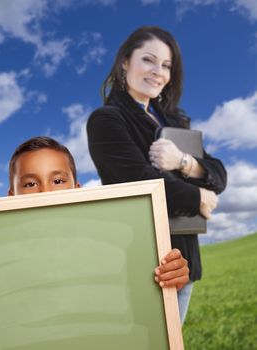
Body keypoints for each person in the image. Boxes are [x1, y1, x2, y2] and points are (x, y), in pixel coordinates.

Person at [0, 136, 189, 292]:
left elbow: (146, 284)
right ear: (11, 196)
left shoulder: (108, 245)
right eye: (30, 184)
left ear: (76, 189)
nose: (45, 192)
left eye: (57, 180)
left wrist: (171, 276)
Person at [86, 26, 227, 323]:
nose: (158, 72)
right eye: (149, 60)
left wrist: (184, 162)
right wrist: (199, 196)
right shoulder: (107, 120)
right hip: (148, 263)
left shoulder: (175, 120)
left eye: (166, 66)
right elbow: (139, 183)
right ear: (125, 62)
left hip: (185, 260)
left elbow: (219, 174)